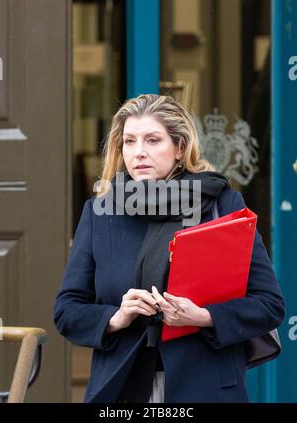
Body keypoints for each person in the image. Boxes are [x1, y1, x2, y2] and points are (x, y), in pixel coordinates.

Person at [53, 94, 285, 403]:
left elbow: (269, 305)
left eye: (152, 140)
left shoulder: (223, 205)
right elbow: (67, 311)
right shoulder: (100, 212)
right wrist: (116, 317)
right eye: (130, 141)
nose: (139, 153)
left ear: (179, 148)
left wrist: (202, 316)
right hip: (121, 388)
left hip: (206, 388)